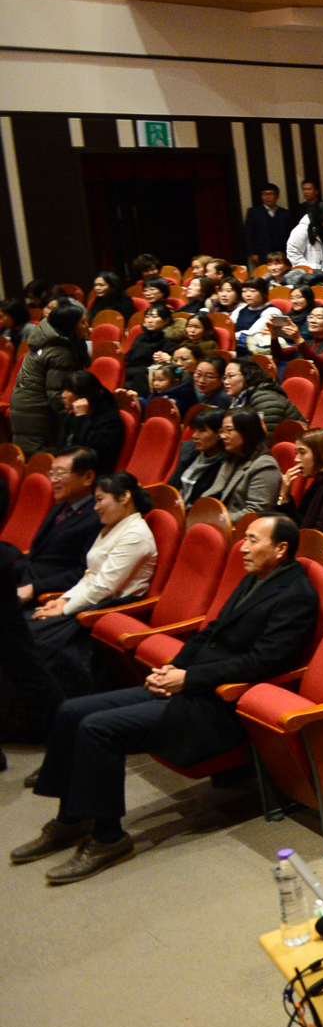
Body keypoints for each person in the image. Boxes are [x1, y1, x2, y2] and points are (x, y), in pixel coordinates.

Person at [13, 516, 318, 884]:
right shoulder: (255, 580)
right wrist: (172, 667)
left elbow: (264, 662)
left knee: (97, 730)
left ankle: (108, 838)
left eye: (253, 540)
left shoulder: (296, 595)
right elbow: (212, 633)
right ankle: (71, 817)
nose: (244, 547)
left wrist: (188, 678)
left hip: (219, 707)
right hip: (189, 685)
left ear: (281, 549)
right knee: (71, 710)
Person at [0, 470, 156, 728]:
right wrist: (62, 600)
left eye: (100, 500)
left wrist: (64, 608)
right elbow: (89, 575)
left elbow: (105, 586)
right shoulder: (112, 527)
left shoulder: (136, 534)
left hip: (108, 609)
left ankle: (32, 723)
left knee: (33, 642)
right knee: (22, 630)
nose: (95, 508)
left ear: (125, 497)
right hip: (84, 601)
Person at [11, 303, 86, 455]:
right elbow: (56, 394)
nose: (87, 327)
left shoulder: (49, 343)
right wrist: (73, 420)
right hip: (37, 412)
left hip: (28, 407)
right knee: (41, 460)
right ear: (70, 326)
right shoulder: (59, 352)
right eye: (83, 322)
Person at [206, 409, 283, 522]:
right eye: (222, 430)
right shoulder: (233, 456)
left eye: (229, 430)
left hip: (240, 530)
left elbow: (255, 512)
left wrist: (217, 519)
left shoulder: (265, 466)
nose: (223, 436)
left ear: (247, 432)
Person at [52, 370, 126, 466]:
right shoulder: (72, 417)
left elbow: (95, 452)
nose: (63, 395)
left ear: (84, 396)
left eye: (68, 391)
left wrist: (82, 418)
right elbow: (60, 447)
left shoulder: (110, 420)